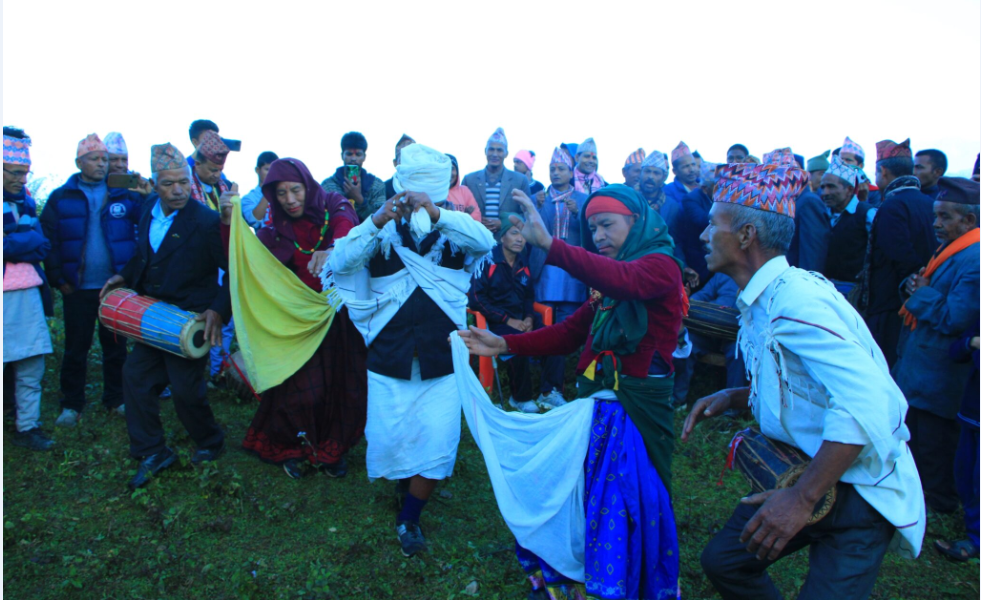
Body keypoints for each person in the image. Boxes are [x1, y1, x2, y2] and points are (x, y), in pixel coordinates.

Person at [684, 148, 926, 600]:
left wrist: (801, 498)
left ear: (747, 235)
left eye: (713, 224)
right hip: (809, 468)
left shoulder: (795, 301)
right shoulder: (765, 298)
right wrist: (739, 396)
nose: (703, 234)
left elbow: (871, 401)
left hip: (858, 491)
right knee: (724, 562)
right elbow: (805, 380)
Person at [458, 183, 685, 600]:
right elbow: (569, 333)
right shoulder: (608, 282)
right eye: (592, 228)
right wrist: (505, 343)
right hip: (599, 410)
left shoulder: (660, 267)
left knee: (626, 498)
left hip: (636, 413)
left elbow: (627, 282)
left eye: (607, 225)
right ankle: (582, 577)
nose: (598, 236)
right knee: (588, 495)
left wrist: (551, 246)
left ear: (636, 222)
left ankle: (624, 583)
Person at [329, 143, 494, 557]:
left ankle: (410, 517)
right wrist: (378, 218)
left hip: (443, 358)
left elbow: (485, 241)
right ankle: (406, 485)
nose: (415, 204)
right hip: (391, 355)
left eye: (425, 197)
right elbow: (342, 261)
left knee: (438, 439)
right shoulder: (379, 229)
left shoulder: (455, 227)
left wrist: (437, 214)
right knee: (392, 438)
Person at [101, 143, 231, 490]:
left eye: (184, 182)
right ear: (155, 184)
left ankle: (210, 440)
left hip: (190, 320)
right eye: (169, 184)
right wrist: (124, 276)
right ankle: (152, 451)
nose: (178, 190)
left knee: (186, 390)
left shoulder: (205, 221)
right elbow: (145, 256)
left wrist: (217, 310)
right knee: (135, 377)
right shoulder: (147, 210)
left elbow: (234, 271)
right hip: (152, 315)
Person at [237, 157, 368, 479]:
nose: (290, 199)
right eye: (281, 193)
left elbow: (347, 224)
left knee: (344, 386)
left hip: (338, 316)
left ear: (308, 186)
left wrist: (333, 249)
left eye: (295, 190)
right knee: (303, 390)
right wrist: (230, 225)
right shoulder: (275, 230)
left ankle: (333, 448)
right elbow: (248, 260)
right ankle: (295, 447)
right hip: (299, 321)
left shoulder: (332, 204)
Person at [41, 133, 143, 426]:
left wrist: (145, 193)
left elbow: (145, 224)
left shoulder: (123, 194)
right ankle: (71, 405)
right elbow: (49, 240)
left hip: (114, 287)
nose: (102, 164)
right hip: (77, 288)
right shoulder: (61, 197)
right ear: (79, 163)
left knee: (115, 347)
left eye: (104, 159)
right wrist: (57, 278)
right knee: (76, 348)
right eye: (95, 159)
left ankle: (116, 399)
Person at [893, 177, 979, 515]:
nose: (936, 224)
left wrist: (920, 293)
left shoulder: (975, 258)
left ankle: (937, 505)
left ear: (968, 220)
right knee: (919, 439)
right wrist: (913, 286)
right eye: (935, 216)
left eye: (944, 217)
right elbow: (925, 285)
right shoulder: (955, 248)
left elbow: (955, 318)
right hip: (923, 370)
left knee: (934, 445)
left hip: (940, 374)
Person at [3, 127, 55, 451]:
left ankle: (27, 426)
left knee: (31, 362)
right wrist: (25, 242)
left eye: (25, 173)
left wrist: (13, 243)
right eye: (14, 172)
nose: (21, 180)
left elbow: (42, 246)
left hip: (27, 295)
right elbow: (30, 242)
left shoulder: (27, 203)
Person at [865, 139, 938, 366]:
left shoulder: (891, 206)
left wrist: (914, 278)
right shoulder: (929, 203)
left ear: (883, 172)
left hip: (893, 306)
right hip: (924, 297)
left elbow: (900, 255)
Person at [533, 147, 589, 408]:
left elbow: (593, 234)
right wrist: (536, 205)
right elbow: (529, 229)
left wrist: (580, 213)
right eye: (552, 169)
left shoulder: (583, 199)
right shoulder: (540, 198)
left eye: (561, 169)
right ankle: (548, 389)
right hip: (546, 273)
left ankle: (567, 387)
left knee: (567, 331)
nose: (556, 173)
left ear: (571, 172)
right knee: (547, 330)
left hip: (574, 274)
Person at [468, 214, 538, 412]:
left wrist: (529, 317)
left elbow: (529, 296)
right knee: (518, 340)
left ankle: (550, 391)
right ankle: (520, 398)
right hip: (496, 320)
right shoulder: (487, 260)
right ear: (501, 237)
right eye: (514, 233)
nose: (520, 239)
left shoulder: (523, 262)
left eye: (522, 235)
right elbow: (476, 298)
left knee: (554, 334)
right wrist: (507, 320)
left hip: (522, 319)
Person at [934, 324, 980, 561]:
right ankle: (972, 526)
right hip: (972, 412)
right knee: (965, 476)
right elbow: (956, 351)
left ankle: (976, 540)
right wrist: (972, 343)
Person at [819, 155, 876, 289]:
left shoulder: (867, 214)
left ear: (849, 189)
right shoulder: (823, 213)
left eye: (831, 187)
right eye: (823, 187)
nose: (825, 192)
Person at [462, 128, 531, 234]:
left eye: (499, 150)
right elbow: (460, 212)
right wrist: (475, 220)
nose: (495, 154)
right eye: (491, 149)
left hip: (508, 241)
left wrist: (504, 223)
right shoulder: (469, 180)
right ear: (485, 151)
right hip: (476, 238)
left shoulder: (520, 181)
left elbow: (528, 215)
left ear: (506, 153)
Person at [322, 131, 387, 223]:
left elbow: (382, 220)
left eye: (358, 154)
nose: (353, 159)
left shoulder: (376, 185)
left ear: (364, 157)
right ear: (342, 156)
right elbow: (323, 217)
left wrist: (360, 200)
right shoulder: (328, 186)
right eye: (349, 154)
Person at [674, 160, 720, 284]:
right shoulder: (691, 199)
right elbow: (702, 221)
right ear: (705, 189)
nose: (723, 191)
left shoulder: (721, 199)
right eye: (718, 187)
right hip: (698, 261)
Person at [189, 130, 235, 211]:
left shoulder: (228, 187)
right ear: (198, 165)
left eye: (220, 170)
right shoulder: (185, 188)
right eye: (213, 170)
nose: (217, 175)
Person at [240, 151, 279, 229]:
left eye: (274, 170)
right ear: (257, 170)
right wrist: (268, 191)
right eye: (267, 169)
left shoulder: (284, 193)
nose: (271, 174)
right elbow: (253, 221)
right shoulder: (249, 198)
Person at [839, 136, 881, 206]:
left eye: (848, 160)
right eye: (841, 160)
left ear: (860, 165)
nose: (843, 163)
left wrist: (863, 199)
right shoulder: (831, 187)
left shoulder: (874, 192)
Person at [663, 141, 699, 217]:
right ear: (675, 171)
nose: (692, 170)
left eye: (693, 164)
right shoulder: (668, 190)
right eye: (685, 166)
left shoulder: (705, 186)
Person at [445, 154, 481, 220]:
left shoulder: (464, 191)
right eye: (445, 169)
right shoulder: (433, 192)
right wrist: (465, 215)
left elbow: (476, 218)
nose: (449, 173)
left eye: (452, 168)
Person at [638, 150, 670, 215]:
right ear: (640, 173)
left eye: (656, 173)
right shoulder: (628, 198)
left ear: (663, 177)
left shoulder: (672, 207)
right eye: (647, 171)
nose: (650, 177)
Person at [384, 134, 415, 200]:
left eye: (413, 156)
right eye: (403, 157)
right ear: (395, 163)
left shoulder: (431, 184)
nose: (409, 161)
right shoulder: (384, 189)